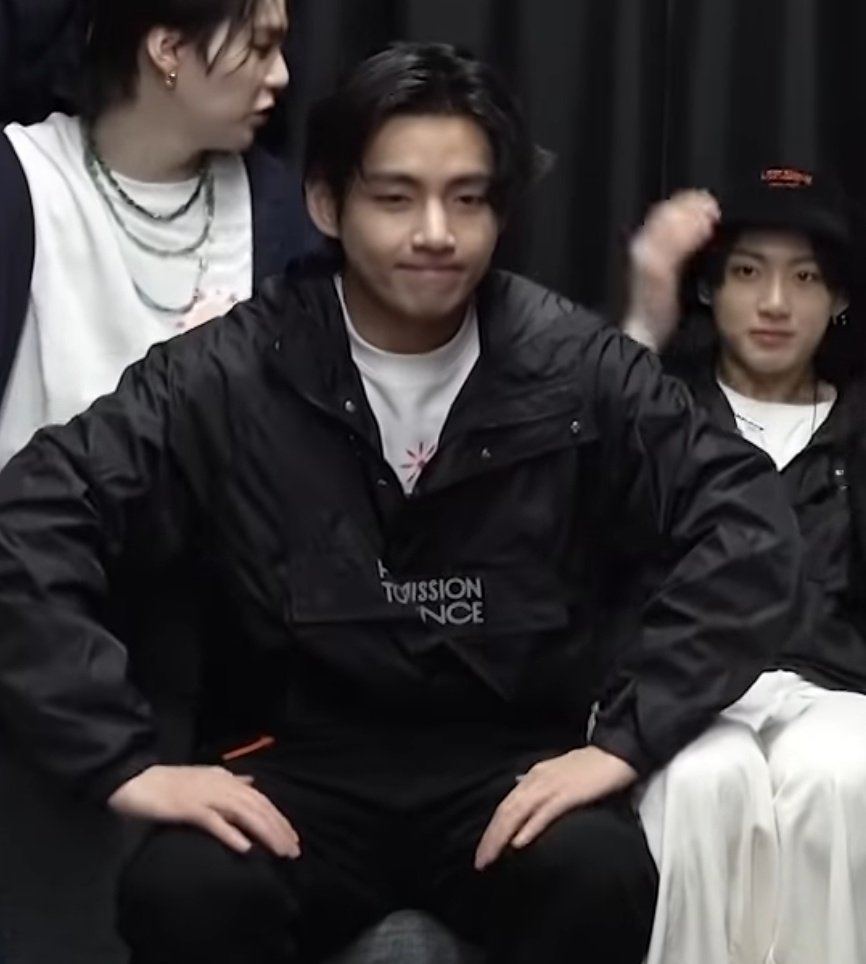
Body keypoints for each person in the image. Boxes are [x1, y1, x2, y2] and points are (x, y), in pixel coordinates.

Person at [0, 44, 802, 964]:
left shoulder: (577, 365)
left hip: (505, 768)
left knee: (599, 871)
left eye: (468, 199)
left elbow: (749, 524)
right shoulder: (226, 371)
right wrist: (124, 762)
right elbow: (26, 526)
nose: (436, 232)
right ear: (326, 203)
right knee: (184, 888)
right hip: (289, 764)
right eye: (395, 198)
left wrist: (622, 742)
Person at [625, 168, 866, 964]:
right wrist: (644, 315)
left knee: (843, 773)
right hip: (681, 688)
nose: (774, 303)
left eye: (806, 278)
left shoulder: (856, 423)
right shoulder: (663, 408)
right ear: (709, 288)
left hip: (831, 685)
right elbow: (571, 482)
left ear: (838, 298)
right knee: (703, 780)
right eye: (748, 272)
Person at [0, 0, 305, 468]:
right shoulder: (24, 181)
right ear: (168, 50)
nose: (281, 74)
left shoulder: (281, 214)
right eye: (260, 47)